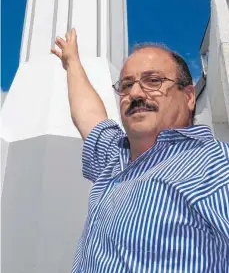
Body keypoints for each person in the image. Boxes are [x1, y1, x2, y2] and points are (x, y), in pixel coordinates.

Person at [52, 28, 229, 273]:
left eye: (153, 80)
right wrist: (72, 62)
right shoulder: (115, 158)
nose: (135, 93)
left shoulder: (217, 165)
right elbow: (89, 114)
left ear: (189, 97)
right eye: (126, 85)